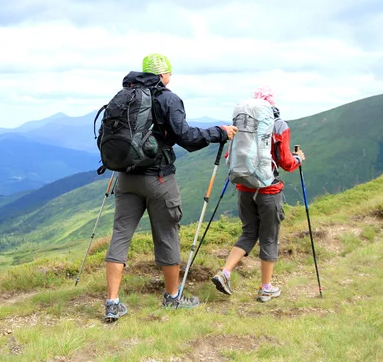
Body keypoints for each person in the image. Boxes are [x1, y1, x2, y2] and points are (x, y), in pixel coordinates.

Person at [103, 53, 238, 322]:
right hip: (159, 179)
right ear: (163, 75)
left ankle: (112, 302)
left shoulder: (125, 95)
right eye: (169, 74)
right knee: (167, 234)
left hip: (127, 177)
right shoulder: (168, 98)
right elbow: (186, 137)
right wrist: (219, 132)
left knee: (120, 235)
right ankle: (173, 297)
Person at [211, 85, 305, 302]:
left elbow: (231, 153)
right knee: (269, 238)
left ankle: (224, 273)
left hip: (244, 186)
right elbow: (286, 162)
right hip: (268, 190)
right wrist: (299, 158)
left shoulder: (243, 121)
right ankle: (266, 288)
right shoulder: (278, 124)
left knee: (248, 233)